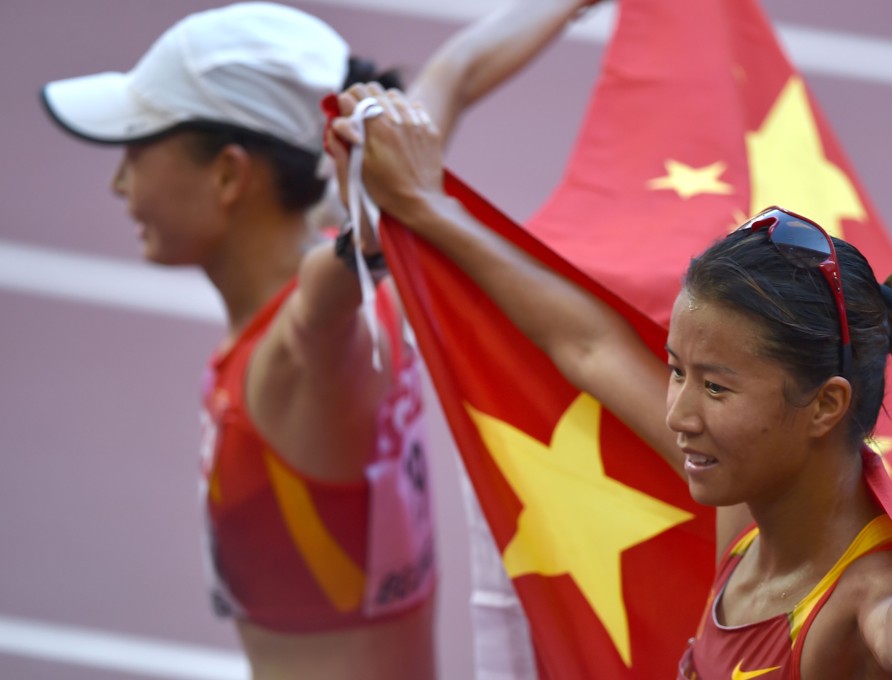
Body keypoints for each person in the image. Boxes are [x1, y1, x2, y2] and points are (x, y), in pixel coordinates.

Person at [326, 87, 892, 679]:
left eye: (714, 387)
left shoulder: (869, 601)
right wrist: (421, 206)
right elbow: (585, 343)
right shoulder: (748, 509)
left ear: (826, 404)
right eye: (677, 371)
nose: (677, 412)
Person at [40, 1, 595, 678]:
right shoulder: (364, 262)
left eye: (136, 149)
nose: (118, 182)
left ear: (228, 175)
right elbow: (457, 70)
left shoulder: (304, 352)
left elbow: (324, 294)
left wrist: (371, 229)